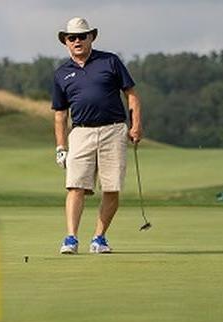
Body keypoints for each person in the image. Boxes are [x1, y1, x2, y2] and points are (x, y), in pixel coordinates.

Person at [51, 17, 143, 254]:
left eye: (83, 36)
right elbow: (60, 114)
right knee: (75, 186)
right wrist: (60, 147)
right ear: (66, 42)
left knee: (111, 188)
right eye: (73, 38)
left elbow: (131, 94)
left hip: (113, 129)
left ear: (91, 37)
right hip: (81, 132)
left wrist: (135, 125)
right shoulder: (62, 73)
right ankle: (71, 238)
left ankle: (99, 238)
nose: (78, 41)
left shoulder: (110, 61)